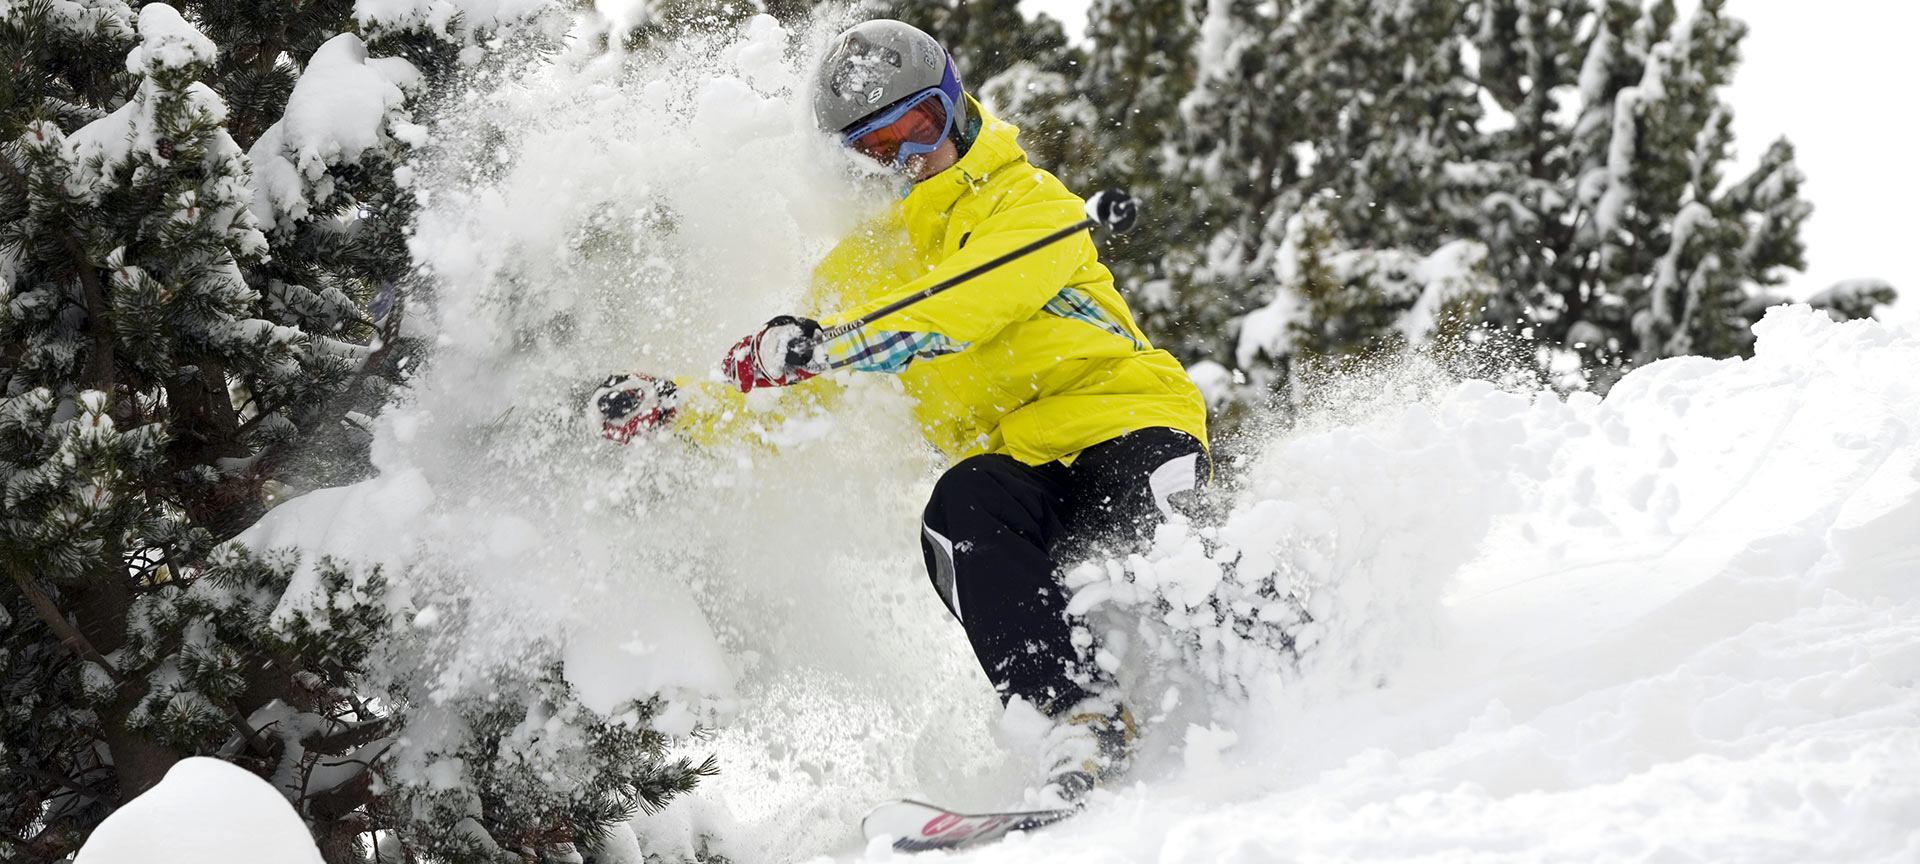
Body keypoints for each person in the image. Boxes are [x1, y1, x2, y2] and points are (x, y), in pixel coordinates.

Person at [593, 19, 1209, 805]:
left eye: (918, 126)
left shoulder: (1030, 204)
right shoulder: (865, 269)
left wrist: (834, 345)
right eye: (882, 149)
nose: (912, 157)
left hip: (1128, 423)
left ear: (953, 102)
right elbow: (791, 394)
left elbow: (963, 304)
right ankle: (1074, 713)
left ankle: (1275, 637)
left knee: (1148, 530)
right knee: (960, 507)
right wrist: (680, 406)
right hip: (1026, 467)